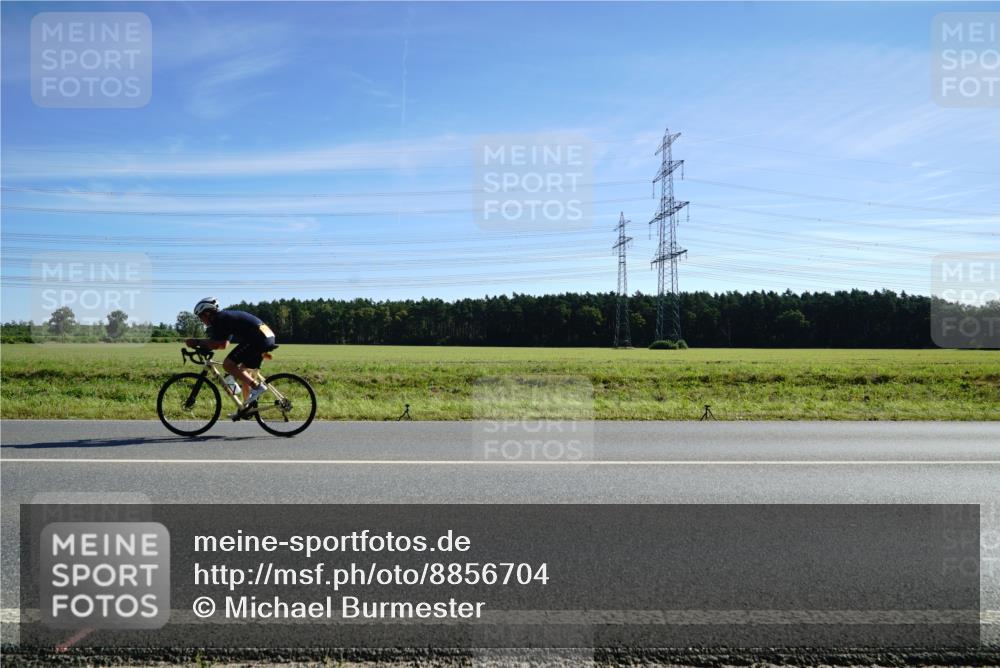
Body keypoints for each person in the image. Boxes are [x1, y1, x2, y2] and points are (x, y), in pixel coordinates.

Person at [185, 297, 276, 406]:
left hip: (258, 339)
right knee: (244, 373)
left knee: (228, 365)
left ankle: (257, 387)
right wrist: (204, 345)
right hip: (265, 336)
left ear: (207, 313)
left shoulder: (220, 320)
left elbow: (217, 344)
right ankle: (246, 407)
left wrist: (196, 342)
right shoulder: (226, 318)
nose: (201, 320)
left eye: (200, 316)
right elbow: (224, 344)